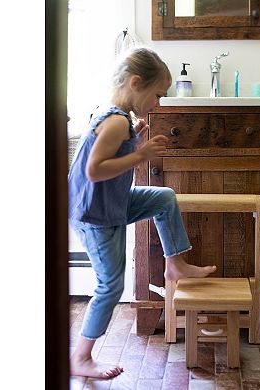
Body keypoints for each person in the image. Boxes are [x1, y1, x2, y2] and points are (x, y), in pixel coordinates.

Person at [68, 47, 216, 379]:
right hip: (98, 214)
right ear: (136, 83)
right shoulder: (117, 121)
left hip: (112, 202)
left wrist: (135, 142)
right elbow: (95, 170)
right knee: (110, 286)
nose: (159, 103)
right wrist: (141, 154)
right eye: (158, 95)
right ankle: (81, 357)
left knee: (163, 198)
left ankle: (175, 265)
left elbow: (106, 155)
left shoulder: (116, 117)